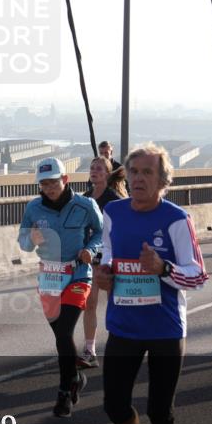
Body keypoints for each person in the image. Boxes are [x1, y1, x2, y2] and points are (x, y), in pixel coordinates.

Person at [95, 144, 208, 424]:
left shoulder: (176, 219)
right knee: (114, 405)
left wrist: (163, 270)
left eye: (148, 173)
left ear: (162, 181)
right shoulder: (112, 212)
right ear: (125, 176)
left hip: (164, 327)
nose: (139, 178)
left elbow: (198, 276)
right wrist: (105, 273)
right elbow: (107, 254)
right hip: (124, 324)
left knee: (162, 410)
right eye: (134, 172)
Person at [18, 157, 103, 417]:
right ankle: (75, 377)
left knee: (65, 332)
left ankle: (64, 392)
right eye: (44, 184)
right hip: (49, 279)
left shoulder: (85, 205)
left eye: (54, 182)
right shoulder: (34, 208)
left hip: (77, 275)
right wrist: (30, 238)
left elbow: (102, 233)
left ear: (65, 180)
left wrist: (90, 249)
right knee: (60, 337)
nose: (49, 188)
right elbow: (23, 241)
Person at [80, 157, 128, 368]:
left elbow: (122, 230)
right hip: (90, 259)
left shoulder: (114, 200)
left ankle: (118, 346)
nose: (94, 171)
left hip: (109, 259)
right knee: (89, 304)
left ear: (107, 174)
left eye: (99, 169)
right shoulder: (84, 199)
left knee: (113, 303)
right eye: (92, 168)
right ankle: (90, 349)